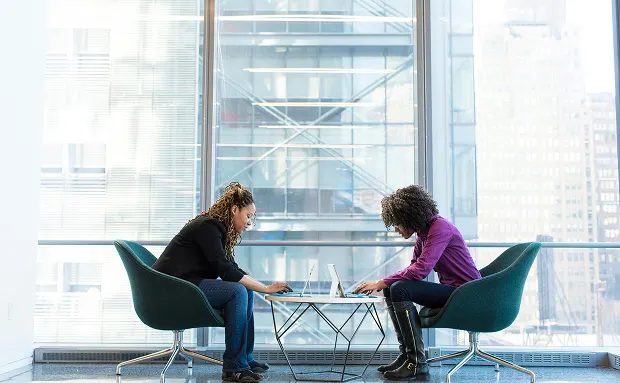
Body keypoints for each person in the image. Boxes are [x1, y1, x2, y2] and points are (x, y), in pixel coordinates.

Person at [152, 182, 292, 383]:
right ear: (234, 210)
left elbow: (231, 268)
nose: (249, 222)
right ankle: (234, 367)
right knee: (237, 291)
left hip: (186, 285)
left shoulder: (217, 229)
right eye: (248, 216)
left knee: (243, 289)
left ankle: (244, 359)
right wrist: (265, 289)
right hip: (171, 289)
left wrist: (263, 286)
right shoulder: (208, 226)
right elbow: (225, 271)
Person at [353, 185, 481, 381]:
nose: (395, 229)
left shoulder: (440, 229)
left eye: (397, 224)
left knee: (398, 287)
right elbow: (414, 266)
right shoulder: (424, 233)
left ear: (409, 217)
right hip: (454, 291)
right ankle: (407, 356)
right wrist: (384, 284)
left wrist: (380, 282)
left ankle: (417, 363)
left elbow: (421, 270)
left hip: (467, 293)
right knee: (393, 288)